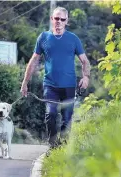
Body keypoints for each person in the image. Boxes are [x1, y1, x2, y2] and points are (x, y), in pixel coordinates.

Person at [20, 7, 90, 148]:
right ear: (52, 19)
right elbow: (34, 60)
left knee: (66, 119)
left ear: (66, 21)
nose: (59, 21)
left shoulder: (73, 39)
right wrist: (25, 82)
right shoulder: (44, 37)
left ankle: (63, 148)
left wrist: (86, 77)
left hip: (69, 85)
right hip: (50, 84)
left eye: (62, 19)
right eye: (56, 18)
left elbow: (85, 61)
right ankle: (53, 145)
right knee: (50, 114)